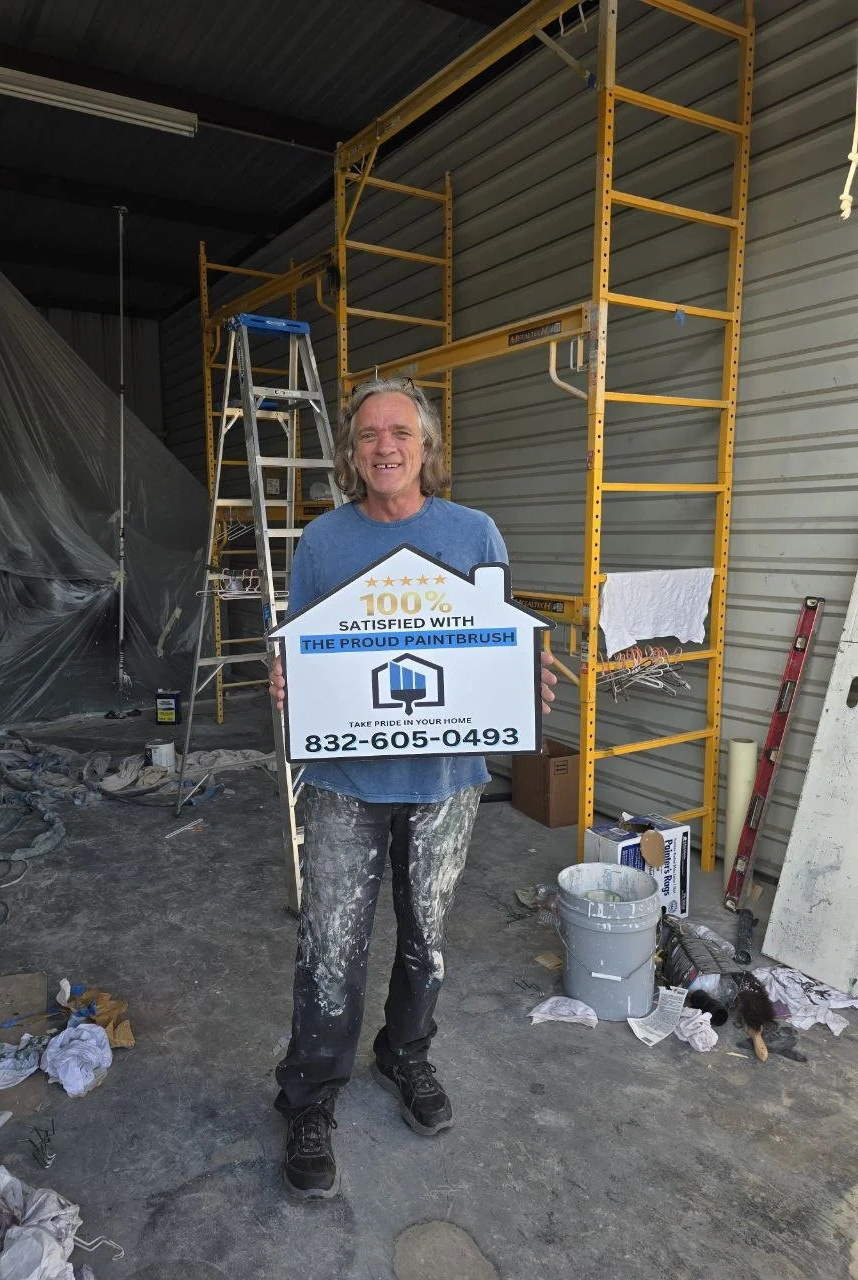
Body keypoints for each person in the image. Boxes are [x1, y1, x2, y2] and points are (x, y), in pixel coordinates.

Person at [269, 375, 556, 1199]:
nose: (384, 446)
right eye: (367, 435)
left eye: (400, 432)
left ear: (426, 447)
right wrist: (287, 682)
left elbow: (496, 642)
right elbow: (299, 652)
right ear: (350, 453)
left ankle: (406, 1055)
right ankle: (310, 1094)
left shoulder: (474, 532)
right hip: (344, 780)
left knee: (426, 934)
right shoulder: (323, 543)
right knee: (331, 941)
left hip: (444, 780)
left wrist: (520, 676)